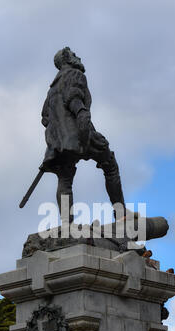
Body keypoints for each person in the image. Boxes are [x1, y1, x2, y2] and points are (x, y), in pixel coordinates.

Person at [40, 47, 125, 222]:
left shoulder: (52, 89)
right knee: (110, 164)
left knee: (65, 178)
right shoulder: (75, 75)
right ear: (67, 59)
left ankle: (67, 224)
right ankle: (122, 215)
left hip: (59, 142)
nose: (78, 57)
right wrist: (86, 131)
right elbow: (75, 100)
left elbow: (45, 118)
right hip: (79, 132)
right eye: (73, 55)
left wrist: (55, 141)